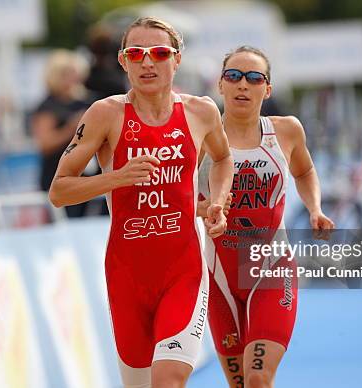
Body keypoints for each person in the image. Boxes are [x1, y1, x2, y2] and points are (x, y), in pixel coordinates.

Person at [49, 17, 234, 388]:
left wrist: (218, 200)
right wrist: (116, 178)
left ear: (177, 60)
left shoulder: (201, 111)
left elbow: (223, 159)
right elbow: (59, 191)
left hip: (183, 269)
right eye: (136, 54)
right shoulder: (106, 114)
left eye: (159, 53)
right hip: (127, 274)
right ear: (123, 61)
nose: (147, 62)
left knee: (167, 380)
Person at [198, 46, 334, 388]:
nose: (243, 85)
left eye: (254, 78)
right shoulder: (198, 136)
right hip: (219, 275)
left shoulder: (286, 131)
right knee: (240, 382)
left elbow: (304, 172)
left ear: (267, 89)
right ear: (221, 85)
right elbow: (177, 195)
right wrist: (201, 209)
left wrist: (315, 208)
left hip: (270, 266)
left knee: (258, 377)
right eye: (234, 76)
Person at [31, 49, 92, 217]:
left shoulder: (86, 101)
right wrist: (71, 129)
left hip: (87, 174)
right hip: (58, 173)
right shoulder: (48, 107)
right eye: (67, 73)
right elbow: (44, 144)